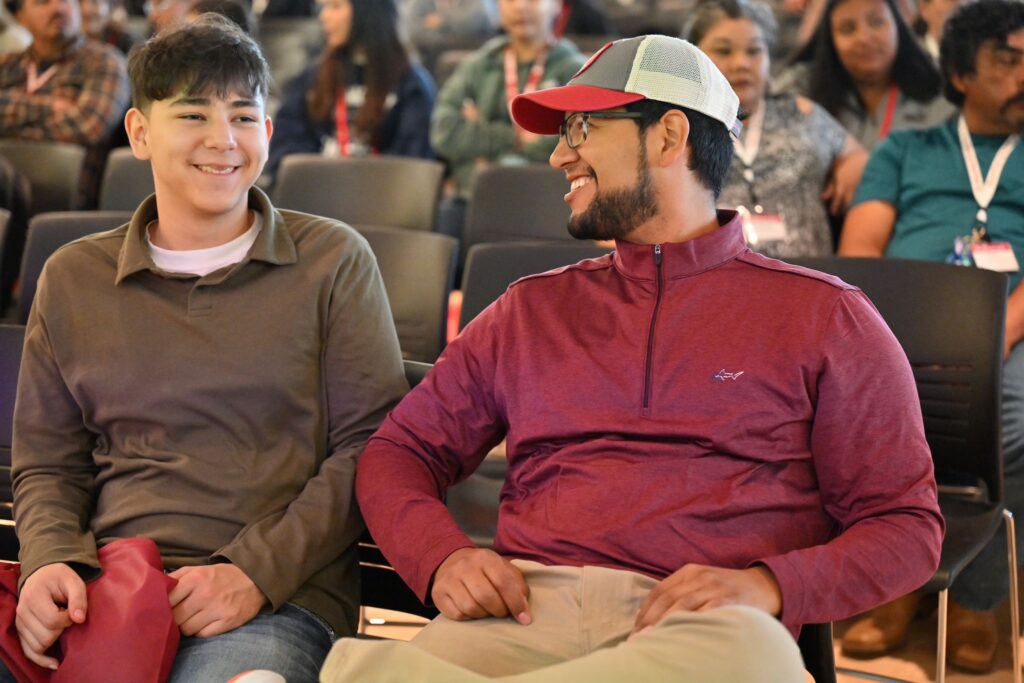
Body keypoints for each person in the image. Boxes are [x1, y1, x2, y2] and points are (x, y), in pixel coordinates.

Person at [319, 34, 944, 683]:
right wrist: (443, 556)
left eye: (582, 129)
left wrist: (771, 584)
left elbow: (906, 527)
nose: (560, 154)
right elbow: (397, 453)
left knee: (754, 660)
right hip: (526, 615)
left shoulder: (827, 316)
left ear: (669, 136)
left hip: (704, 630)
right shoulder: (528, 311)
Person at [7, 14, 406, 683]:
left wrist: (254, 570)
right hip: (106, 586)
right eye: (193, 114)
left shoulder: (335, 261)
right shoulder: (73, 276)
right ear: (138, 133)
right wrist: (48, 560)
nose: (223, 140)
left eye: (244, 118)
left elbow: (371, 447)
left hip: (277, 598)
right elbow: (47, 461)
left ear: (268, 135)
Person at [839, 0, 1024, 672]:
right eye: (1009, 59)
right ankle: (901, 580)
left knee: (1006, 421)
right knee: (861, 411)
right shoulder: (908, 149)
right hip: (905, 319)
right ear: (961, 73)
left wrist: (992, 334)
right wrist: (888, 337)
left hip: (1011, 325)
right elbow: (862, 250)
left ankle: (977, 596)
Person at [687, 0, 867, 257]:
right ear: (695, 57)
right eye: (724, 51)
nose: (742, 64)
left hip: (810, 279)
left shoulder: (801, 113)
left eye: (754, 51)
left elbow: (857, 155)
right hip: (718, 281)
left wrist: (852, 162)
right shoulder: (681, 128)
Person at [430, 0, 585, 239]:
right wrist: (518, 137)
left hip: (545, 204)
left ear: (557, 6)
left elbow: (580, 145)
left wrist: (481, 135)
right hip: (471, 201)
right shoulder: (477, 66)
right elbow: (444, 132)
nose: (520, 7)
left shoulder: (575, 71)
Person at [266, 0, 434, 182]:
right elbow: (285, 143)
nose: (324, 16)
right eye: (324, 7)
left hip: (381, 199)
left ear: (368, 13)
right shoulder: (314, 77)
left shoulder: (411, 83)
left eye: (335, 7)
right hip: (316, 196)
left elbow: (411, 164)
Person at [780, 0, 954, 152]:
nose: (864, 38)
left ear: (898, 27)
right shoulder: (801, 88)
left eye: (877, 22)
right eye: (847, 29)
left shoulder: (941, 93)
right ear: (830, 41)